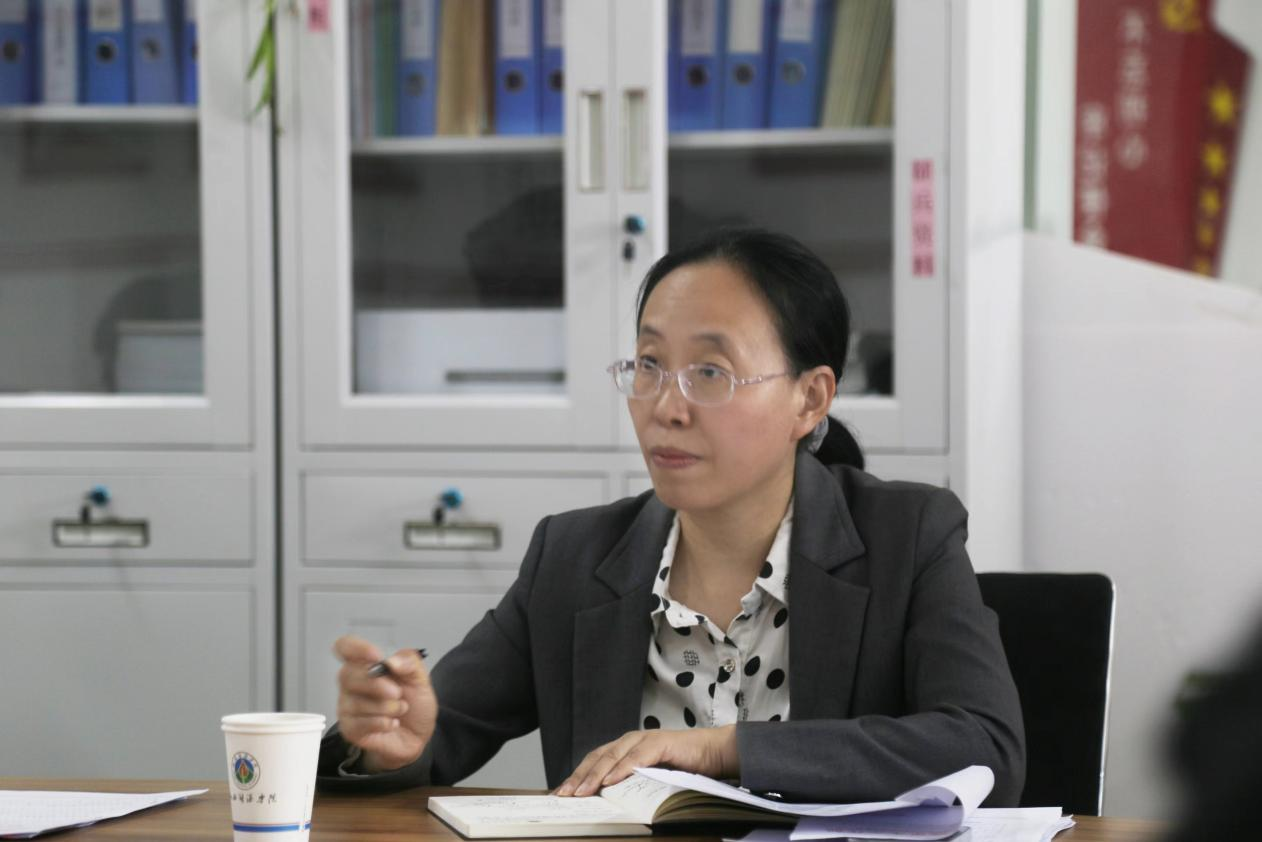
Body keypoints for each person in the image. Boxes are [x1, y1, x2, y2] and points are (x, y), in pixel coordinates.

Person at [316, 228, 1026, 804]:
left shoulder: (908, 537)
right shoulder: (573, 556)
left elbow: (985, 748)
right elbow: (432, 737)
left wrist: (721, 750)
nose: (666, 406)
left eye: (710, 373)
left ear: (809, 400)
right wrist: (386, 743)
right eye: (650, 365)